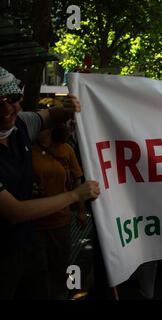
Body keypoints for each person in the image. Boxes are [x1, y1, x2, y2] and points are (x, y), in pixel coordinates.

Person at [0, 66, 100, 299]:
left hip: (29, 245)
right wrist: (75, 196)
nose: (6, 109)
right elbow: (14, 211)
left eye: (12, 98)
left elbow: (50, 115)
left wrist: (67, 107)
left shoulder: (22, 124)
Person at [32, 121, 85, 299]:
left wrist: (80, 211)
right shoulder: (27, 150)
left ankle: (63, 292)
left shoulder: (66, 150)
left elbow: (77, 180)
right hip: (33, 219)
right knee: (39, 266)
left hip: (60, 218)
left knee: (61, 261)